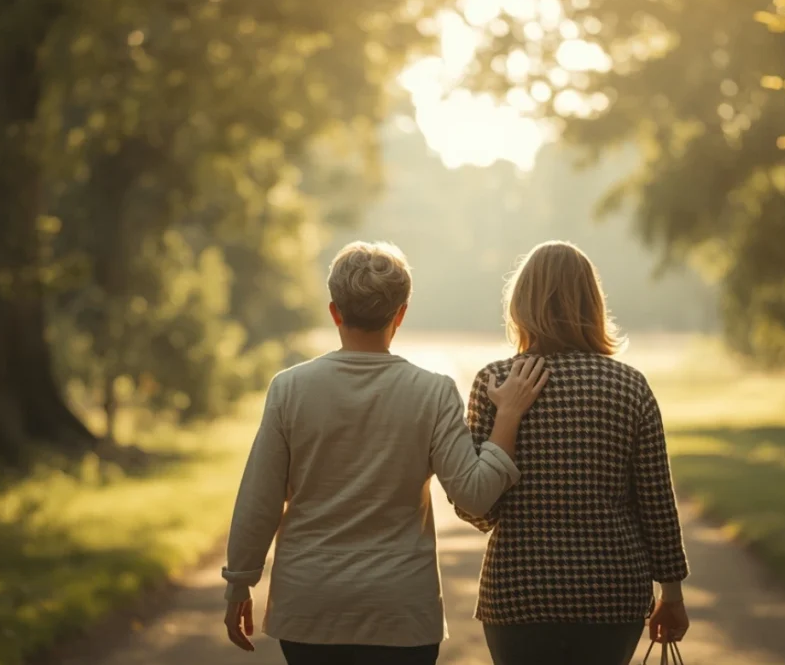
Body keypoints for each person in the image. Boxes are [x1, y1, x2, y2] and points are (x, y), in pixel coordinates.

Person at [221, 241, 550, 665]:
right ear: (401, 313)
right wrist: (507, 416)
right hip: (401, 612)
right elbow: (474, 496)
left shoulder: (290, 388)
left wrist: (239, 584)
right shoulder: (432, 392)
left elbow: (259, 499)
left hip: (309, 608)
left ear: (335, 311)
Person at [455, 240, 691, 665]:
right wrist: (670, 594)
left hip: (518, 592)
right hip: (612, 594)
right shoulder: (629, 385)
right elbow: (656, 500)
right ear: (592, 302)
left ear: (521, 303)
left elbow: (479, 513)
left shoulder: (495, 382)